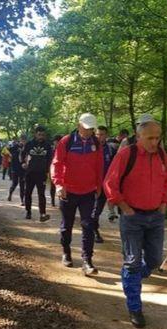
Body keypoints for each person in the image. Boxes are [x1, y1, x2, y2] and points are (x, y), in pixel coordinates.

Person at [103, 118, 167, 328]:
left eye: (157, 137)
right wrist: (125, 208)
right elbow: (110, 182)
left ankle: (128, 278)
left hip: (155, 217)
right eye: (150, 137)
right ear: (138, 136)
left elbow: (166, 180)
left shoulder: (161, 155)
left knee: (154, 261)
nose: (154, 142)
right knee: (133, 262)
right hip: (133, 217)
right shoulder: (127, 154)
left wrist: (164, 203)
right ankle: (135, 307)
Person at [51, 113, 103, 276]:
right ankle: (66, 252)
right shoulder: (66, 142)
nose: (88, 132)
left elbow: (99, 165)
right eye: (86, 128)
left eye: (91, 129)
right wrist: (59, 184)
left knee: (88, 225)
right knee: (67, 225)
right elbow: (57, 163)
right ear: (79, 125)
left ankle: (87, 260)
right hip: (68, 191)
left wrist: (99, 186)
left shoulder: (96, 143)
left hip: (88, 191)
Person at [21, 126, 53, 222]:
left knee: (41, 194)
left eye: (43, 135)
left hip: (42, 173)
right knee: (28, 193)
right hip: (30, 172)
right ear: (35, 134)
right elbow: (23, 155)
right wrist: (23, 163)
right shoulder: (29, 144)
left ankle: (42, 214)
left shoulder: (47, 146)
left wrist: (48, 171)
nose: (41, 137)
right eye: (39, 135)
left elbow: (50, 159)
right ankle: (28, 211)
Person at [91, 126, 115, 243]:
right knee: (93, 210)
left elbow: (114, 167)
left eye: (102, 134)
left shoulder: (110, 150)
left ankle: (93, 229)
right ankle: (94, 231)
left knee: (97, 210)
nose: (100, 137)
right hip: (91, 184)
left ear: (106, 135)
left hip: (104, 185)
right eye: (97, 134)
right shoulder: (90, 148)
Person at [8, 135, 27, 206]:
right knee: (14, 183)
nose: (23, 141)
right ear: (20, 140)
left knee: (22, 185)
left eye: (24, 140)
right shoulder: (15, 147)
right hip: (15, 168)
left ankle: (22, 200)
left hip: (23, 169)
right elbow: (9, 150)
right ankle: (10, 194)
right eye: (22, 140)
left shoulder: (26, 148)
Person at [49, 135, 63, 207]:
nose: (56, 143)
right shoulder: (51, 150)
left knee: (60, 185)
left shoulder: (63, 149)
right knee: (52, 186)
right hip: (52, 169)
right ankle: (52, 200)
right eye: (55, 141)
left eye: (57, 141)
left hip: (61, 170)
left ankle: (61, 201)